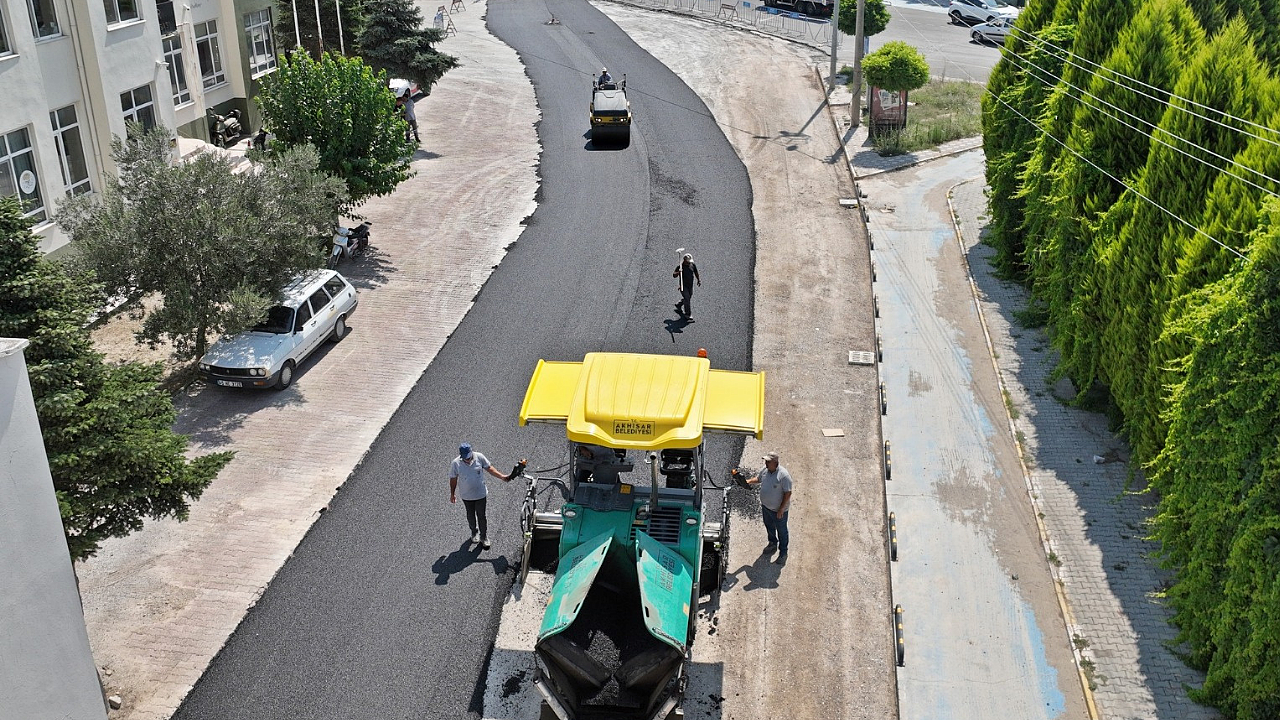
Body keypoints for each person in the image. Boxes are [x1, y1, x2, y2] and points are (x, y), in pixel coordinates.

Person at [448, 442, 513, 550]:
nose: (467, 460)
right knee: (470, 515)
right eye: (465, 458)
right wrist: (452, 494)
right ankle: (474, 532)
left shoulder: (479, 457)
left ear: (471, 452)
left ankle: (484, 536)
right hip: (466, 496)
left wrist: (502, 476)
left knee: (481, 515)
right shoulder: (455, 463)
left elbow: (490, 468)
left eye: (469, 457)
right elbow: (453, 479)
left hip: (480, 494)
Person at [741, 451, 793, 563]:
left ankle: (783, 553)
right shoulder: (765, 471)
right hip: (766, 508)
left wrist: (781, 509)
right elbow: (758, 479)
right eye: (766, 461)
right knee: (769, 526)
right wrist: (747, 481)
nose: (766, 463)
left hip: (778, 511)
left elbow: (788, 493)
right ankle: (772, 543)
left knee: (782, 531)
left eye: (768, 461)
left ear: (775, 462)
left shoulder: (783, 475)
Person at [672, 253, 701, 319]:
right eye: (688, 262)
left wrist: (698, 280)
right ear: (684, 260)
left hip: (690, 286)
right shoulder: (680, 267)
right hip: (683, 286)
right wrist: (679, 272)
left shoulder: (692, 265)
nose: (689, 263)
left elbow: (696, 272)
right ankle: (688, 314)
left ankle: (679, 305)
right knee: (687, 298)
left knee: (688, 297)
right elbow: (674, 275)